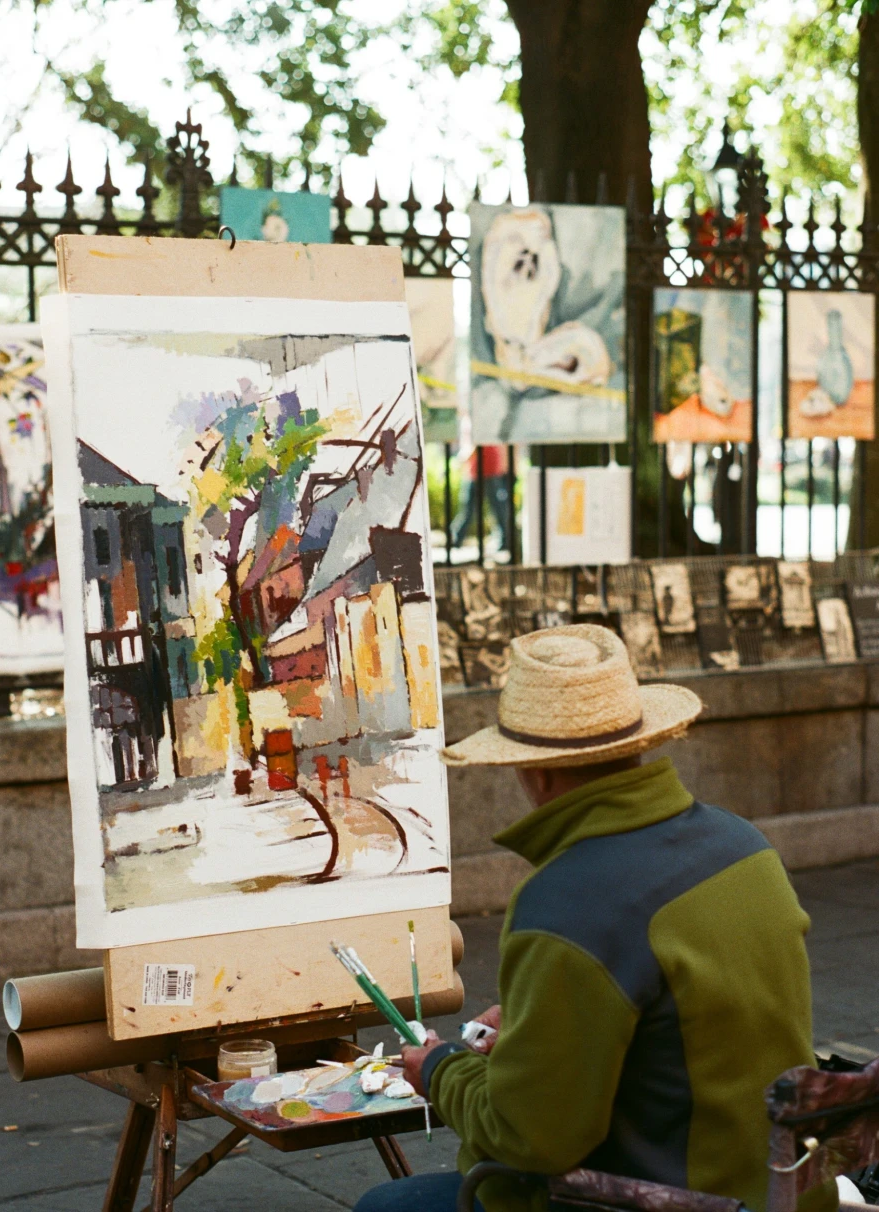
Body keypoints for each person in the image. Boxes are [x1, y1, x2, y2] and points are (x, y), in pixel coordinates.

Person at [354, 625, 835, 1212]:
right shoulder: (745, 846)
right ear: (637, 743)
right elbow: (691, 1029)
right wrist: (537, 1031)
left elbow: (531, 1139)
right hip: (783, 1185)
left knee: (388, 1206)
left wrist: (440, 1070)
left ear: (536, 771)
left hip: (664, 1199)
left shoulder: (565, 901)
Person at [450, 445, 509, 552]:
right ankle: (503, 541)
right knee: (494, 508)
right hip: (481, 471)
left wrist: (461, 461)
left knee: (472, 509)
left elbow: (475, 445)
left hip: (483, 471)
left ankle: (456, 539)